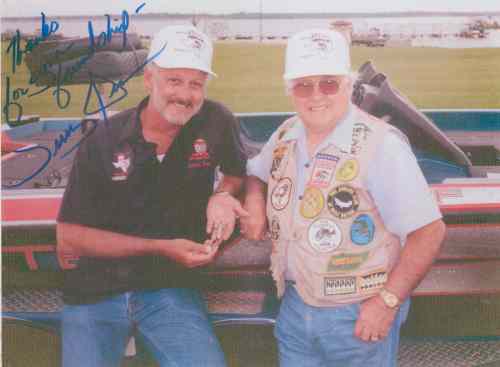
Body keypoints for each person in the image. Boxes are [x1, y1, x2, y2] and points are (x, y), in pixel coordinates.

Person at [242, 28, 446, 367]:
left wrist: (386, 303)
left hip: (359, 314)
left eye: (329, 83)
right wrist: (253, 202)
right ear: (290, 89)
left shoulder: (382, 145)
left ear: (349, 86)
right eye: (303, 84)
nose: (316, 95)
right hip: (295, 306)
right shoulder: (285, 134)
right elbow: (255, 173)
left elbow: (429, 232)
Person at [56, 25, 248, 367]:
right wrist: (161, 247)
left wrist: (222, 194)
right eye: (174, 80)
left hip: (168, 287)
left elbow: (236, 173)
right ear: (149, 79)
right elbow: (69, 237)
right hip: (95, 288)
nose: (186, 95)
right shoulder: (105, 138)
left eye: (196, 84)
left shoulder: (216, 120)